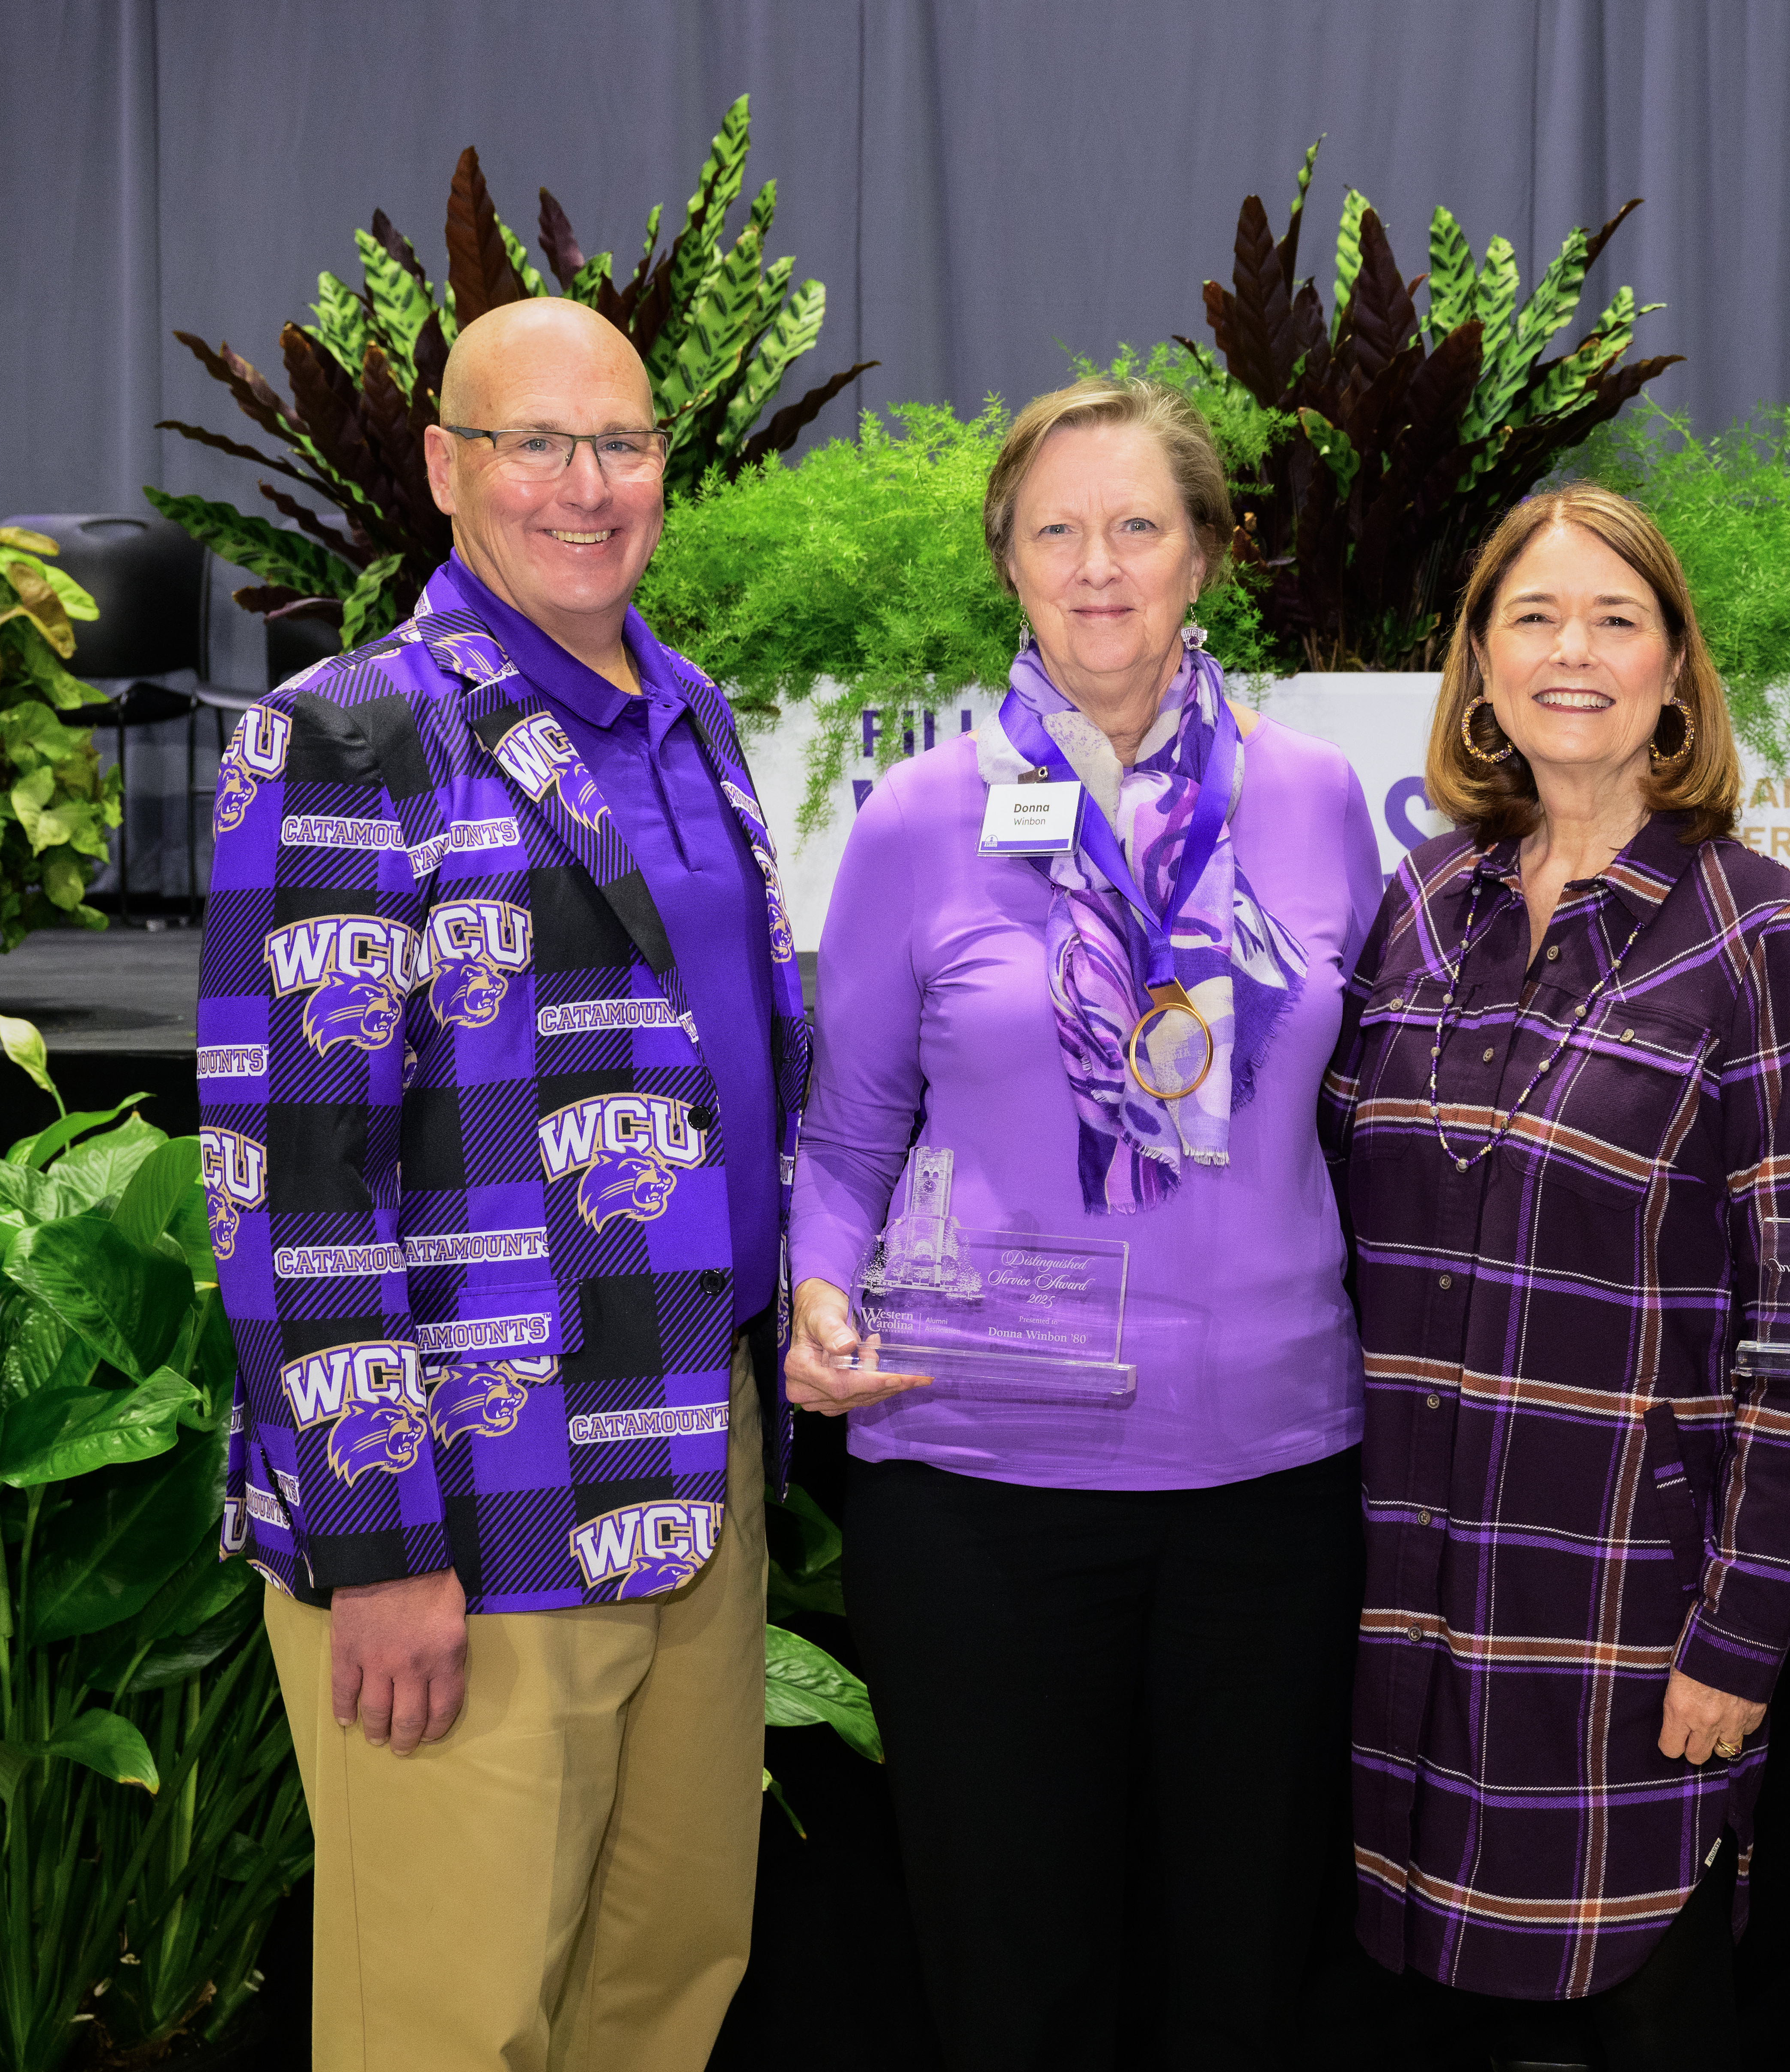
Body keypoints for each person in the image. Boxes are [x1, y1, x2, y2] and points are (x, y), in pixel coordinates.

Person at [197, 297, 800, 2068]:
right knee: (451, 2028)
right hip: (473, 1486)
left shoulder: (693, 717)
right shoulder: (351, 736)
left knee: (664, 1985)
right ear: (448, 468)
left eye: (620, 441)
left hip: (701, 1447)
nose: (584, 483)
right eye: (535, 442)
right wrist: (376, 1544)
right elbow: (287, 1169)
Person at [782, 376, 1384, 2068]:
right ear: (1011, 563)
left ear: (1207, 555)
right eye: (1057, 529)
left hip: (1268, 1483)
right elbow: (844, 1138)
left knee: (1243, 1983)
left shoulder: (1321, 802)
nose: (1099, 565)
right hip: (979, 1487)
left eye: (1138, 525)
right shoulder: (917, 817)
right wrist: (820, 1291)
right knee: (1015, 1981)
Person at [1324, 484, 1790, 2070]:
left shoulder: (1761, 935)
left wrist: (1740, 1636)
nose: (1573, 652)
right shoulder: (1417, 907)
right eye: (1534, 618)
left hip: (1624, 1616)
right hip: (1402, 1603)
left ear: (1678, 673)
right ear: (1477, 667)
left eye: (1617, 620)